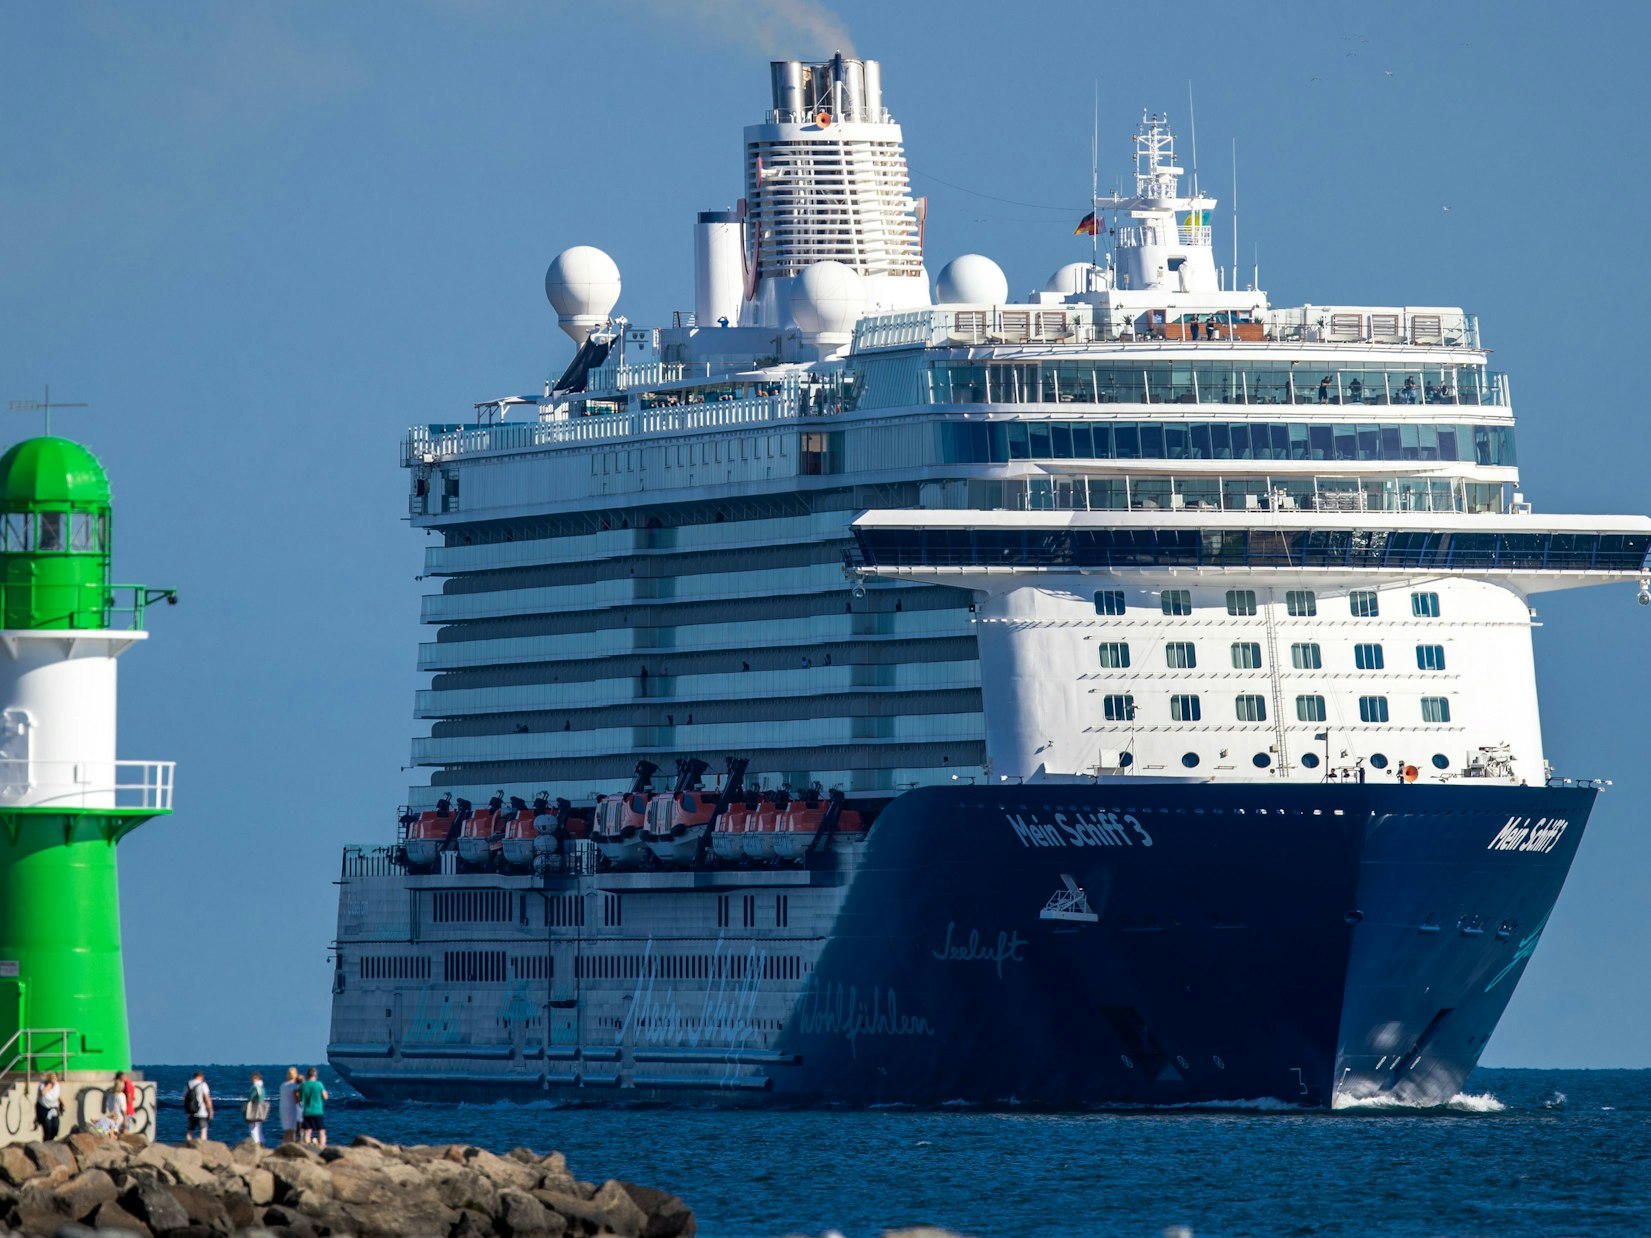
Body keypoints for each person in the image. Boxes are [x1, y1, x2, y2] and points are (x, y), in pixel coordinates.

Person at [298, 1067, 328, 1148]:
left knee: (307, 1131)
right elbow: (325, 1097)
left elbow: (298, 1098)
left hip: (306, 1111)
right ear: (315, 1075)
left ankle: (307, 1148)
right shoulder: (319, 1084)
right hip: (317, 1111)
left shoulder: (303, 1085)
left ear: (307, 1075)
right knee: (321, 1131)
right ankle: (322, 1147)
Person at [183, 1070, 213, 1142]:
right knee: (203, 1130)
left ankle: (187, 1145)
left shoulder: (188, 1084)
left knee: (190, 1131)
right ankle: (202, 1147)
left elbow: (184, 1098)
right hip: (201, 1111)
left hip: (191, 1111)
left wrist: (187, 1110)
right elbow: (207, 1098)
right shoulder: (203, 1084)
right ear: (201, 1077)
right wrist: (210, 1110)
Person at [243, 1072, 269, 1147]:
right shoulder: (262, 1088)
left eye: (252, 1078)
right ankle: (261, 1143)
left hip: (254, 1110)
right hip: (260, 1111)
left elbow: (251, 1098)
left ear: (255, 1078)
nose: (251, 1080)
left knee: (253, 1129)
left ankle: (255, 1144)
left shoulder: (255, 1087)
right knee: (259, 1129)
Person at [35, 1072, 62, 1141]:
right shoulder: (43, 1084)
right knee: (48, 1127)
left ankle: (51, 1140)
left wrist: (62, 1103)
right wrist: (49, 1085)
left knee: (55, 1127)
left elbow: (58, 1095)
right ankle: (46, 1142)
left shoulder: (57, 1085)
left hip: (53, 1108)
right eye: (52, 1078)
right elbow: (43, 1093)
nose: (54, 1080)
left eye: (55, 1078)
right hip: (44, 1108)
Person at [278, 1067, 302, 1143]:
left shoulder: (283, 1085)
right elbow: (296, 1100)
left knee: (287, 1130)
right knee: (292, 1131)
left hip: (283, 1109)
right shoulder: (294, 1086)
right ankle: (291, 1146)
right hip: (292, 1110)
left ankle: (284, 1145)